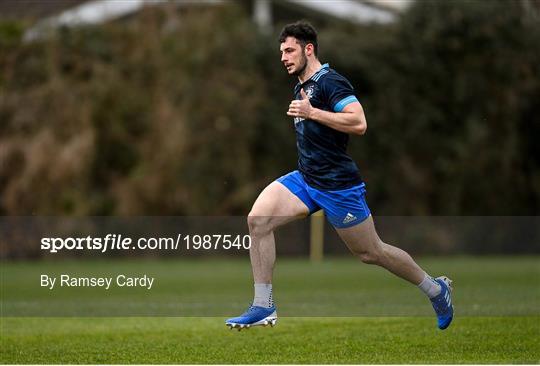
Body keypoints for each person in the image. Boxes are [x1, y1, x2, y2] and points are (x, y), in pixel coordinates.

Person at [225, 21, 453, 330]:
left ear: (309, 49)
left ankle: (436, 289)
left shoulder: (331, 82)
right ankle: (263, 305)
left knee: (372, 253)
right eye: (281, 52)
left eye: (290, 50)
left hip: (337, 186)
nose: (284, 57)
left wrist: (312, 112)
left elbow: (358, 122)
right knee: (258, 219)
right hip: (305, 179)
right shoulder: (302, 85)